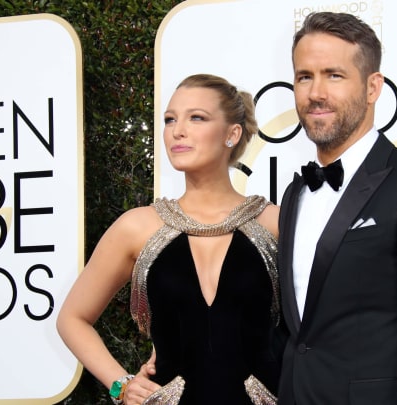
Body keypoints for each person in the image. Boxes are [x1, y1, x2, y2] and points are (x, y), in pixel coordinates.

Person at [276, 12, 397, 404]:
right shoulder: (295, 193)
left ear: (373, 88)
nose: (315, 93)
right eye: (304, 76)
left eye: (334, 75)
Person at [57, 73, 281, 405]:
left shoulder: (275, 223)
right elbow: (71, 319)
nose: (177, 130)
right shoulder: (137, 227)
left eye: (197, 118)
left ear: (233, 133)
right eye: (170, 119)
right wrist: (121, 385)